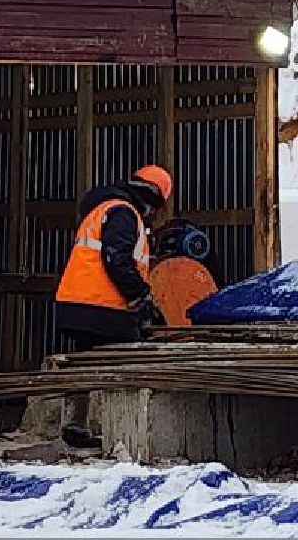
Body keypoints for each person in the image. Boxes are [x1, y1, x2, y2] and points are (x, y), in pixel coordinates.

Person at [54, 163, 172, 448]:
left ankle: (75, 425)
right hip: (101, 306)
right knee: (124, 359)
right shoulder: (123, 213)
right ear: (153, 198)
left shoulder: (105, 208)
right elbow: (117, 260)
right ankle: (122, 433)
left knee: (84, 359)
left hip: (80, 303)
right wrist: (141, 297)